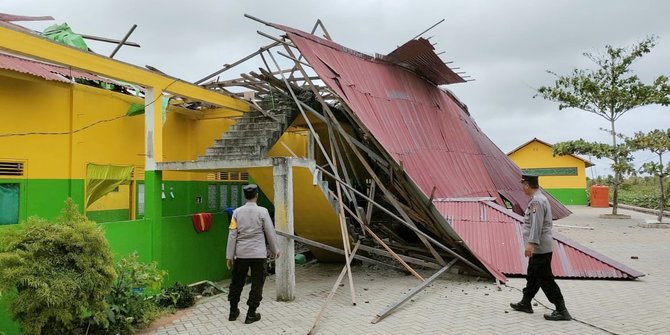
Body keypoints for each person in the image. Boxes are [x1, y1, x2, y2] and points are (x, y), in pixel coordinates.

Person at [510, 174, 572, 321]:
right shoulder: (539, 198)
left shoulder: (537, 201)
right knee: (533, 274)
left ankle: (561, 309)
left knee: (545, 278)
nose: (522, 188)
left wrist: (531, 244)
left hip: (539, 247)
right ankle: (526, 303)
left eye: (523, 185)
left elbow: (536, 225)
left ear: (527, 185)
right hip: (540, 246)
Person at [226, 184, 280, 324]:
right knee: (257, 283)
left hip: (241, 254)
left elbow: (232, 235)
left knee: (237, 282)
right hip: (258, 254)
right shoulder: (263, 212)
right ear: (256, 195)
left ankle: (233, 312)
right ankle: (251, 314)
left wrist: (229, 256)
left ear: (245, 196)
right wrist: (275, 250)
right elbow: (270, 232)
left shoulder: (237, 212)